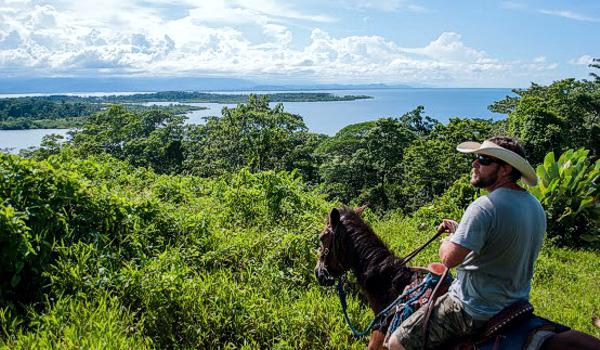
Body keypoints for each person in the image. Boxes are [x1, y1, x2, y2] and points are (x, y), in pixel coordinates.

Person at [388, 136, 546, 350]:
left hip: (473, 308)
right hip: (515, 304)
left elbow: (449, 259)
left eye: (483, 159)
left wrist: (447, 240)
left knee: (397, 342)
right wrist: (459, 231)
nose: (474, 163)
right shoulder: (534, 205)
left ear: (505, 169)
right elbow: (498, 243)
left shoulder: (484, 206)